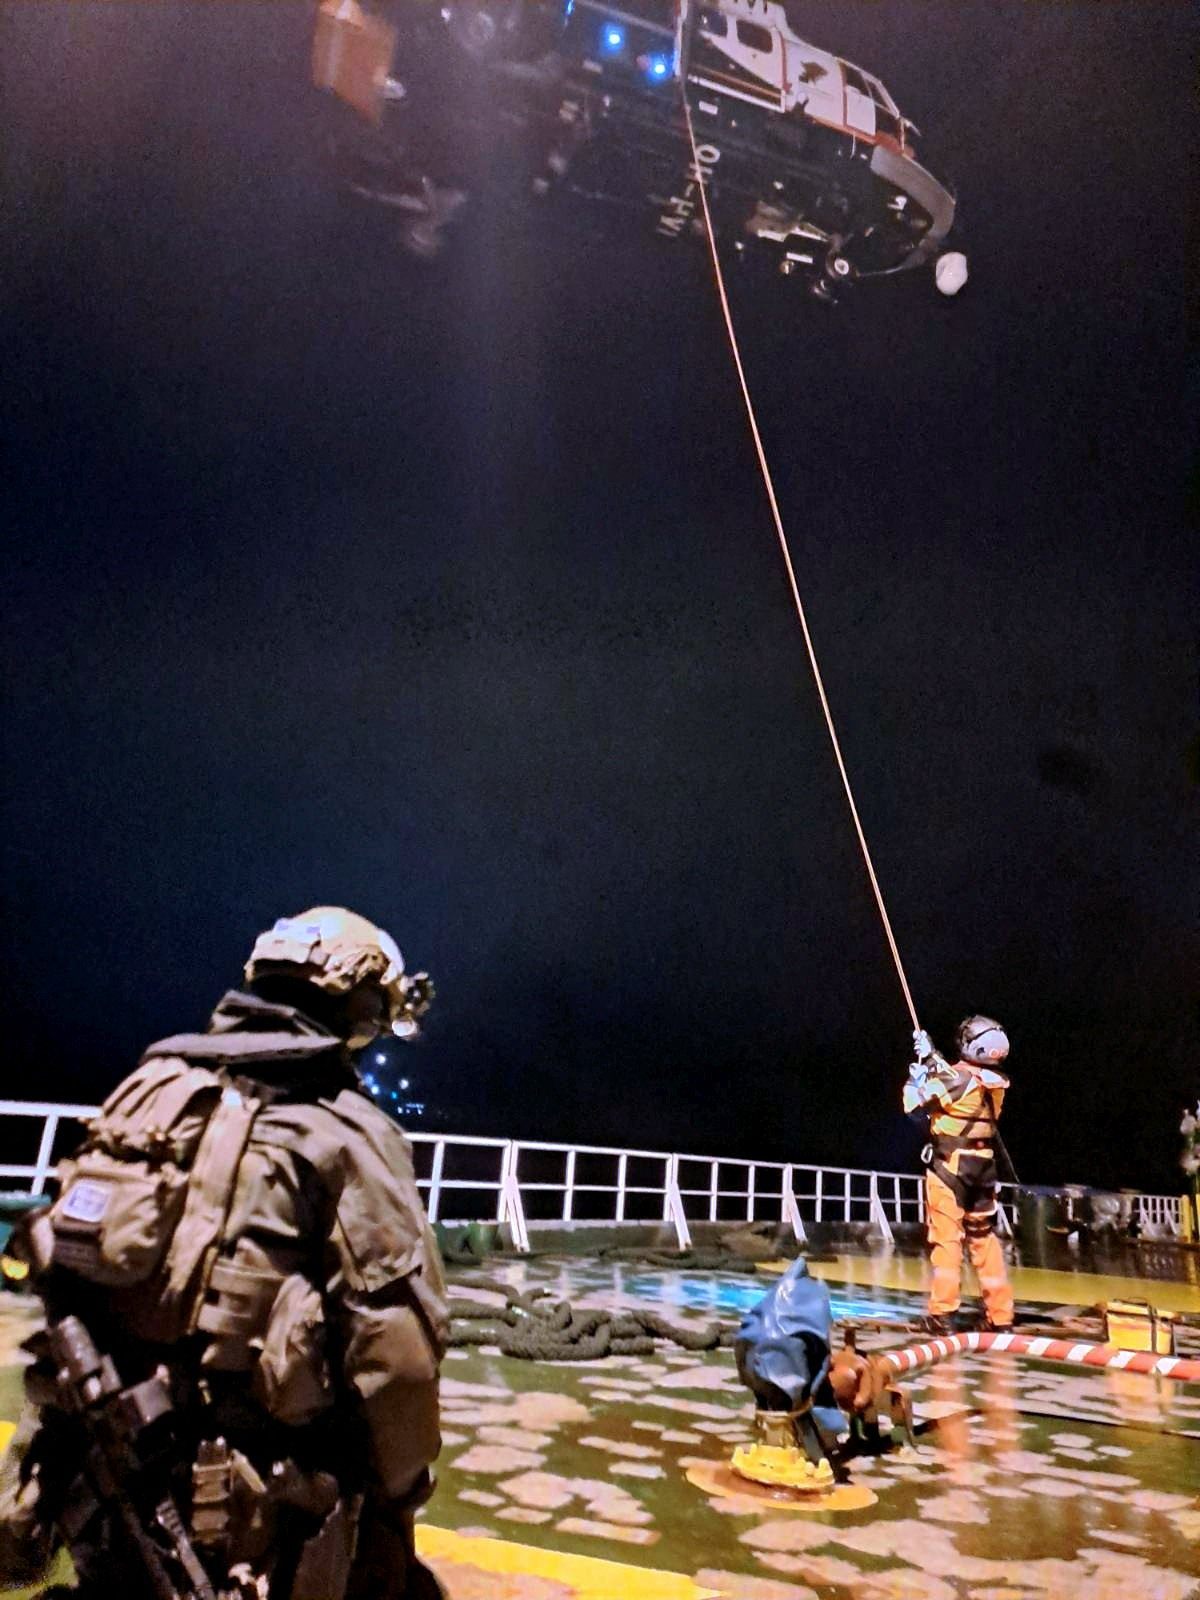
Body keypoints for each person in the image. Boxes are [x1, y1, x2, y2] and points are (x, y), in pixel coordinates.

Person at [0, 906, 448, 1600]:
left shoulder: (147, 1091)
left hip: (104, 1487)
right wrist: (402, 1492)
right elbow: (397, 1361)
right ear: (360, 1004)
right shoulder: (348, 1131)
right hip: (251, 1524)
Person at [903, 1015, 1015, 1334]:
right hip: (983, 1168)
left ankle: (942, 1313)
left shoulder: (958, 1080)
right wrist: (931, 1055)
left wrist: (915, 1079)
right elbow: (957, 1077)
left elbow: (914, 1108)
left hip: (950, 1167)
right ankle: (1000, 1315)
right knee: (984, 1239)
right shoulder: (996, 1083)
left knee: (946, 1240)